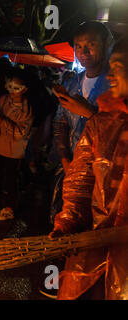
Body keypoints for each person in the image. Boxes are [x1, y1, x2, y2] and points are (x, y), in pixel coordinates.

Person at [49, 38, 128, 300]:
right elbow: (81, 184)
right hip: (97, 243)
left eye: (119, 67)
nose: (112, 76)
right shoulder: (102, 122)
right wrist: (68, 223)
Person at [50, 21, 113, 223]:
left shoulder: (116, 83)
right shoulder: (71, 83)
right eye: (78, 46)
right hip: (69, 168)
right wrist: (65, 160)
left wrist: (90, 113)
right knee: (64, 222)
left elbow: (119, 128)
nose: (83, 51)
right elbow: (61, 123)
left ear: (106, 43)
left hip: (103, 172)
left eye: (91, 44)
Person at [0, 68, 33, 221]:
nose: (13, 91)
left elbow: (20, 133)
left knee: (10, 178)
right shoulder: (3, 99)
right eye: (10, 87)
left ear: (24, 90)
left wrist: (1, 121)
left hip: (12, 149)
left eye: (17, 88)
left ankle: (9, 207)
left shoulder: (26, 109)